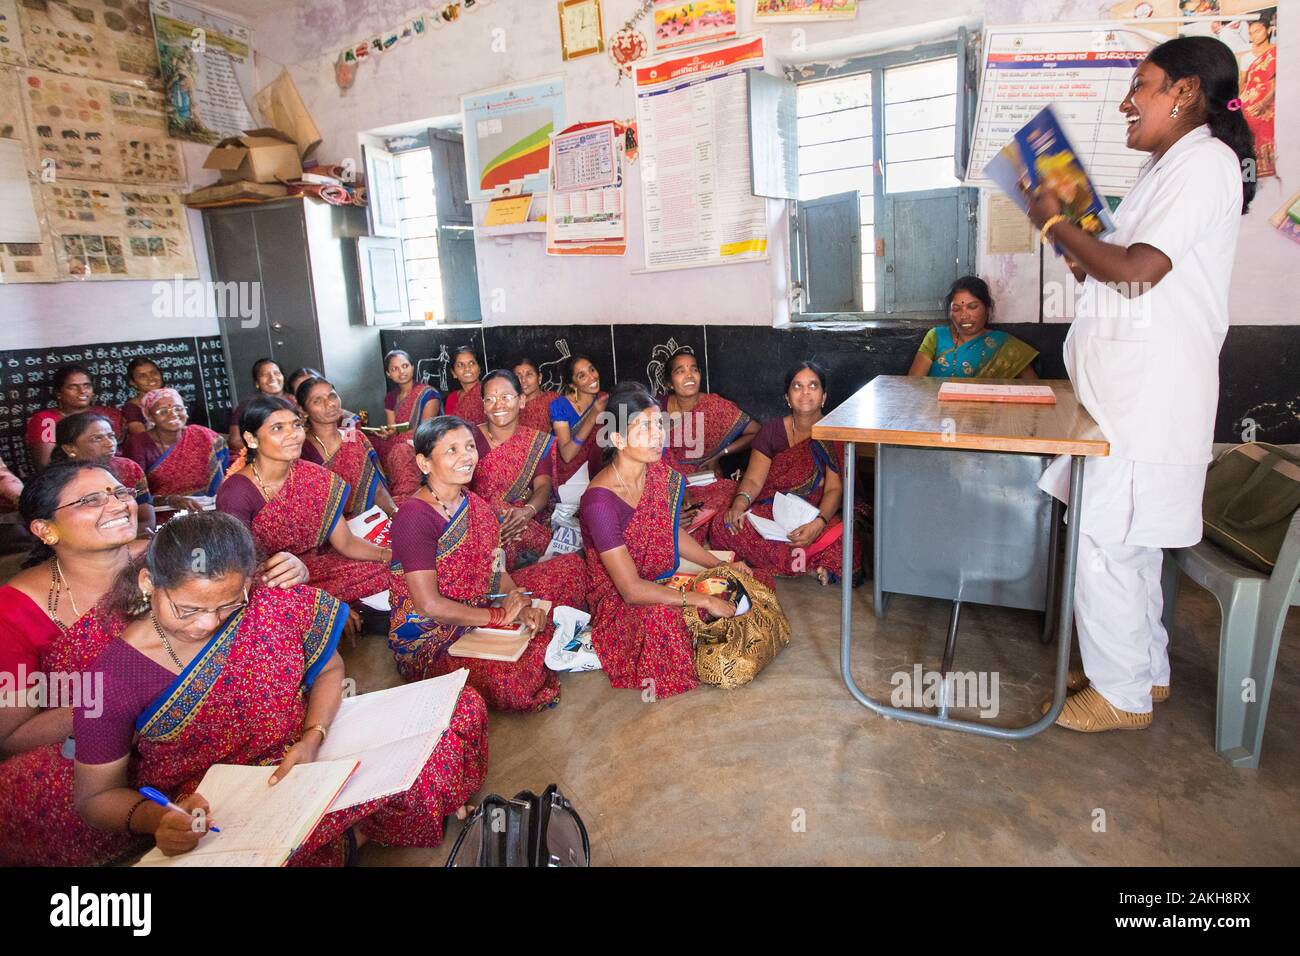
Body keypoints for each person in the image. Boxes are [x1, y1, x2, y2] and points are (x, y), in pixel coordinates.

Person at [1023, 36, 1254, 732]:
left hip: (1148, 401)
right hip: (1128, 399)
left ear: (1185, 91)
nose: (1127, 102)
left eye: (1141, 86)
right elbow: (1113, 268)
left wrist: (1057, 221)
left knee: (1107, 543)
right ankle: (1139, 672)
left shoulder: (1204, 163)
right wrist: (1075, 243)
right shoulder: (1170, 168)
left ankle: (1119, 696)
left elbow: (1136, 271)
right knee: (1131, 545)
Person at [52, 513, 484, 866]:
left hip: (307, 754)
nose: (208, 623)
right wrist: (154, 817)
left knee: (457, 709)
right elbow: (96, 796)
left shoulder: (269, 606)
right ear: (149, 584)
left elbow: (331, 671)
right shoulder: (112, 676)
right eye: (188, 609)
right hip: (223, 806)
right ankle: (361, 829)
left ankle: (352, 830)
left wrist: (313, 737)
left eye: (227, 605)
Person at [387, 416, 588, 712]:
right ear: (424, 463)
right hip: (434, 638)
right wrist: (499, 617)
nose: (466, 456)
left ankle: (543, 634)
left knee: (570, 569)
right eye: (451, 450)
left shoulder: (476, 506)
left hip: (483, 606)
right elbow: (428, 605)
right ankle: (551, 639)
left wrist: (522, 603)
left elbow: (496, 570)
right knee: (514, 681)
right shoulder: (413, 517)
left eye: (469, 446)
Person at [581, 383, 753, 698]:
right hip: (620, 599)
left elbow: (670, 532)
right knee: (666, 620)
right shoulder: (599, 503)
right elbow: (631, 591)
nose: (658, 435)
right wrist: (702, 600)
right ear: (618, 438)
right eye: (644, 428)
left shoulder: (658, 473)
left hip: (663, 578)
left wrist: (720, 565)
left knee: (741, 583)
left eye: (659, 425)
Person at [217, 396, 392, 610]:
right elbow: (238, 570)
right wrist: (301, 587)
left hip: (318, 569)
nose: (293, 435)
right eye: (278, 428)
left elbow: (346, 543)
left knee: (399, 571)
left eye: (296, 425)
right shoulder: (236, 492)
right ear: (251, 439)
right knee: (279, 602)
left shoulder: (316, 477)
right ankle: (325, 607)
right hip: (270, 581)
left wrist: (389, 555)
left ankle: (332, 606)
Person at [711, 362, 857, 584]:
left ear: (824, 397)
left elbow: (835, 489)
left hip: (817, 511)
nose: (805, 392)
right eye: (797, 386)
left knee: (846, 538)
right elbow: (753, 479)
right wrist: (739, 504)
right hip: (775, 507)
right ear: (787, 397)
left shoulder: (833, 433)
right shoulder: (772, 432)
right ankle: (807, 564)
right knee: (725, 525)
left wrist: (818, 523)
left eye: (813, 386)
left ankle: (791, 560)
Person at [658, 350, 759, 542]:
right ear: (669, 382)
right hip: (665, 477)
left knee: (729, 492)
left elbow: (756, 431)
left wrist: (721, 454)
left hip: (703, 478)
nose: (689, 375)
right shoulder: (656, 408)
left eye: (694, 369)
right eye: (680, 371)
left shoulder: (714, 406)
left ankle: (692, 542)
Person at [470, 369, 556, 570]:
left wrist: (527, 511)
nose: (498, 405)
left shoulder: (536, 442)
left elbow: (543, 486)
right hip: (476, 523)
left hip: (520, 521)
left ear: (522, 401)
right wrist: (491, 519)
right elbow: (458, 492)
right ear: (483, 405)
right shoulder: (468, 439)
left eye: (506, 397)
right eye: (490, 399)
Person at [297, 377, 396, 519]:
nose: (329, 403)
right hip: (333, 533)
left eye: (332, 396)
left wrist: (395, 514)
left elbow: (377, 489)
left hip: (371, 522)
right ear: (303, 410)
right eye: (317, 400)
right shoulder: (302, 448)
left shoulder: (353, 436)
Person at [907, 276, 1040, 380]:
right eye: (956, 309)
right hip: (939, 411)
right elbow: (914, 384)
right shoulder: (936, 336)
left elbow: (1034, 389)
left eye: (972, 307)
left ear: (987, 309)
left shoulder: (1004, 345)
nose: (964, 316)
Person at [121, 388, 228, 513]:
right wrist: (170, 500)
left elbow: (221, 476)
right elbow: (134, 493)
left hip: (207, 509)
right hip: (160, 514)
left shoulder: (202, 435)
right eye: (163, 411)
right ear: (149, 416)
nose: (173, 414)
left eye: (178, 408)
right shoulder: (138, 444)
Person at [52, 412, 155, 536]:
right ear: (70, 448)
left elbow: (146, 520)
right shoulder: (58, 481)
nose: (110, 443)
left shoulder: (129, 468)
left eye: (111, 436)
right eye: (97, 438)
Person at [26, 365, 124, 471]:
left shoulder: (109, 414)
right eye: (73, 387)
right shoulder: (46, 420)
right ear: (58, 393)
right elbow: (45, 464)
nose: (82, 391)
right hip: (68, 478)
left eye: (87, 386)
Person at [550, 355, 608, 492]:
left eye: (592, 370)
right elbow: (567, 454)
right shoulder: (560, 406)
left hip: (599, 474)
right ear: (572, 384)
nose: (592, 377)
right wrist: (593, 416)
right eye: (582, 376)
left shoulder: (605, 400)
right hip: (569, 480)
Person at [227, 358, 293, 454]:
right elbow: (234, 441)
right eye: (265, 375)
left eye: (277, 373)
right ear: (257, 382)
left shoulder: (295, 401)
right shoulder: (248, 406)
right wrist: (265, 452)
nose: (272, 378)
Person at [1238, 12, 1275, 178]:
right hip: (1249, 103)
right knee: (1247, 141)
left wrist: (1263, 103)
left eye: (1258, 31)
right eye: (1251, 32)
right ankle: (1249, 178)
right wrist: (1237, 104)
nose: (1254, 35)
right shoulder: (1247, 57)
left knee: (1270, 138)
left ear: (1268, 31)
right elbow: (1243, 83)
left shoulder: (1277, 53)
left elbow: (1277, 81)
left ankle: (1270, 175)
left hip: (1271, 104)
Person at [442, 347, 487, 426]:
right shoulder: (452, 398)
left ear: (479, 369)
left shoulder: (488, 391)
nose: (467, 368)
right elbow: (448, 426)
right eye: (460, 365)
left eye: (472, 363)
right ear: (454, 373)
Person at [119, 357, 164, 435]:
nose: (150, 378)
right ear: (133, 382)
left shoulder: (174, 398)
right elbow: (142, 437)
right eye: (142, 376)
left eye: (154, 373)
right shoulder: (131, 408)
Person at [513, 357, 558, 433]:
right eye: (518, 376)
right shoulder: (508, 405)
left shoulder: (552, 399)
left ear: (539, 378)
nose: (523, 380)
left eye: (529, 374)